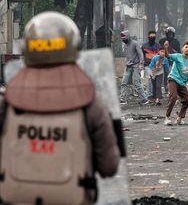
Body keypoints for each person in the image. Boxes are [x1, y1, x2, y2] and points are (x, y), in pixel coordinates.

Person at [0, 12, 120, 204]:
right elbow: (109, 166)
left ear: (27, 49)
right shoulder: (90, 103)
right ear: (74, 49)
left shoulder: (7, 101)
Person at [164, 42, 188, 125]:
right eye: (186, 47)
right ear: (183, 48)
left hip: (182, 83)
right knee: (173, 97)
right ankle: (167, 117)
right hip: (173, 79)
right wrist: (166, 48)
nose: (187, 49)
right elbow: (167, 56)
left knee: (187, 99)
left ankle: (179, 118)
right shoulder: (178, 56)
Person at [119, 30, 148, 105]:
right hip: (128, 66)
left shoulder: (135, 43)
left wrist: (141, 64)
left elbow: (140, 54)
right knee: (124, 82)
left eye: (124, 39)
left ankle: (144, 99)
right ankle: (123, 99)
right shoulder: (126, 45)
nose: (123, 40)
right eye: (122, 39)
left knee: (137, 83)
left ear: (128, 37)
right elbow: (128, 55)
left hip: (136, 65)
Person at [159, 26, 181, 94]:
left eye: (171, 34)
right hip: (164, 60)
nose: (170, 35)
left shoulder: (176, 42)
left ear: (173, 34)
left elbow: (179, 52)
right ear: (166, 34)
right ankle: (165, 87)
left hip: (173, 60)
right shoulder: (162, 41)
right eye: (169, 34)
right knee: (165, 74)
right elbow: (159, 50)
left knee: (172, 74)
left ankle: (172, 87)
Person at [142, 30, 160, 97]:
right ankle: (149, 94)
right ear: (148, 37)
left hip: (156, 65)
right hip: (148, 65)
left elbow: (160, 56)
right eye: (151, 36)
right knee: (149, 78)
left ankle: (154, 94)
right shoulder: (144, 46)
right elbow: (141, 55)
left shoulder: (158, 46)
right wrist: (142, 63)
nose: (152, 38)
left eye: (154, 36)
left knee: (155, 79)